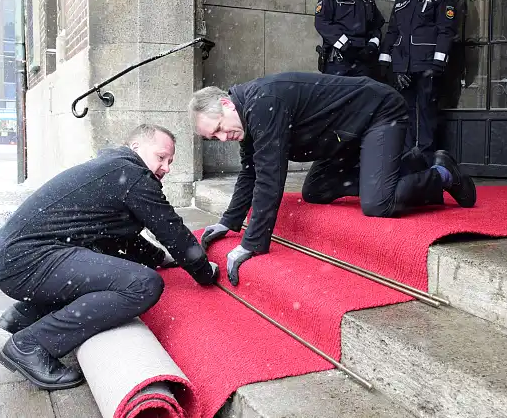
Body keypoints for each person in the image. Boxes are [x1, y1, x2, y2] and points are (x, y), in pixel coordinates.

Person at [189, 74, 476, 286]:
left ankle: (443, 173)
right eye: (215, 137)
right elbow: (250, 170)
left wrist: (251, 243)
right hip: (339, 135)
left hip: (377, 113)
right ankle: (408, 164)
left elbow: (269, 178)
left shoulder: (263, 104)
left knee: (378, 203)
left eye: (219, 129)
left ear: (226, 104)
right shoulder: (246, 115)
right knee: (315, 190)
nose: (223, 138)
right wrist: (229, 221)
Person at [0, 124, 219, 390]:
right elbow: (173, 231)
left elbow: (117, 236)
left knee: (108, 258)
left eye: (170, 161)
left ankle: (25, 314)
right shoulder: (132, 175)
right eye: (161, 157)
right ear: (136, 148)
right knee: (143, 285)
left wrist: (159, 257)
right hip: (27, 262)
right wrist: (204, 271)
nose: (166, 167)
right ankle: (30, 344)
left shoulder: (113, 168)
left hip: (17, 258)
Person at [378, 0, 458, 166]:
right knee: (404, 114)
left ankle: (424, 160)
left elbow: (446, 30)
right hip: (403, 67)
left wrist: (438, 63)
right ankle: (406, 161)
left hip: (427, 66)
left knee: (425, 115)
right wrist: (388, 63)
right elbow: (393, 32)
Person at [314, 0, 385, 77]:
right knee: (336, 95)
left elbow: (376, 27)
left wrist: (371, 46)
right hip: (338, 60)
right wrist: (346, 46)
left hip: (363, 61)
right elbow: (322, 23)